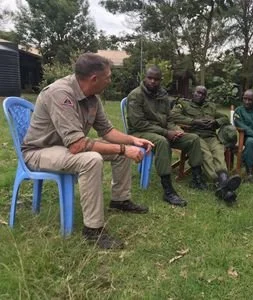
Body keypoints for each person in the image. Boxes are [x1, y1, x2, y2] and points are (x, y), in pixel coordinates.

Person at [22, 53, 154, 249]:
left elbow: (107, 131)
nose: (110, 80)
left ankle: (120, 199)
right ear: (94, 78)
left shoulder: (92, 97)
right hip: (40, 151)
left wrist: (132, 141)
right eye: (108, 76)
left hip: (66, 147)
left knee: (121, 150)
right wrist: (123, 149)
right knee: (91, 159)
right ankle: (92, 230)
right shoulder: (60, 93)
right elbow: (77, 146)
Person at [126, 66, 207, 207]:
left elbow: (168, 118)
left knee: (192, 138)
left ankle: (197, 179)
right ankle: (168, 190)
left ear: (160, 80)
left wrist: (175, 130)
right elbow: (138, 123)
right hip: (139, 132)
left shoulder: (162, 95)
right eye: (150, 78)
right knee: (162, 142)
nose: (152, 81)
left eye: (156, 79)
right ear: (144, 78)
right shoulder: (136, 95)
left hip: (162, 130)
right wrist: (166, 133)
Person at [171, 85, 241, 204]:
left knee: (219, 152)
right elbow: (173, 115)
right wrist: (194, 121)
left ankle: (223, 180)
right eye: (198, 93)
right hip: (195, 136)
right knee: (206, 155)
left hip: (211, 136)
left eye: (203, 94)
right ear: (193, 93)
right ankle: (219, 183)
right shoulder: (184, 105)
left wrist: (215, 122)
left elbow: (225, 118)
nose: (200, 95)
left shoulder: (211, 107)